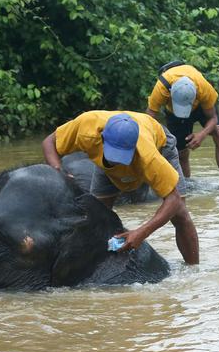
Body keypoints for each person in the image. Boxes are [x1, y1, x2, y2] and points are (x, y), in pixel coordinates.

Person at [42, 110, 200, 264]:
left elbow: (174, 200)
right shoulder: (86, 128)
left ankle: (193, 271)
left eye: (122, 156)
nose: (117, 161)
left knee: (179, 214)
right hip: (104, 165)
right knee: (98, 218)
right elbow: (49, 143)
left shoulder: (148, 155)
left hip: (160, 145)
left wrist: (141, 233)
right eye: (114, 155)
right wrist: (60, 173)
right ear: (102, 139)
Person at [147, 62, 219, 189]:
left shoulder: (204, 88)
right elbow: (149, 119)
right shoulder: (162, 87)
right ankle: (186, 186)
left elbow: (213, 118)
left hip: (200, 107)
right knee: (181, 153)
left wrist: (202, 135)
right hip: (173, 112)